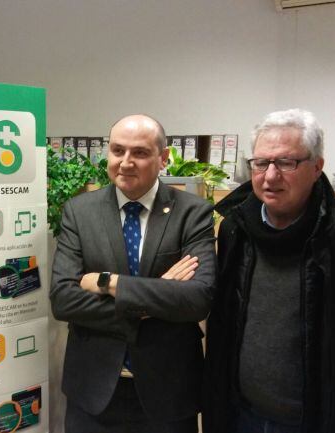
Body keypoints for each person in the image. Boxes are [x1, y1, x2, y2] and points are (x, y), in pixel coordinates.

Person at [203, 108, 335, 433]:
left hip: (325, 420)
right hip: (241, 415)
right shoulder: (235, 227)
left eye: (286, 163)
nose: (270, 176)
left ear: (317, 167)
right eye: (261, 163)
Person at [51, 114, 216, 432]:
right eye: (117, 150)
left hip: (167, 391)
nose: (126, 162)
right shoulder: (79, 212)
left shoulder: (192, 213)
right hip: (93, 390)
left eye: (139, 153)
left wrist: (107, 282)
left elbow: (197, 299)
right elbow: (63, 300)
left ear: (163, 158)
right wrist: (158, 294)